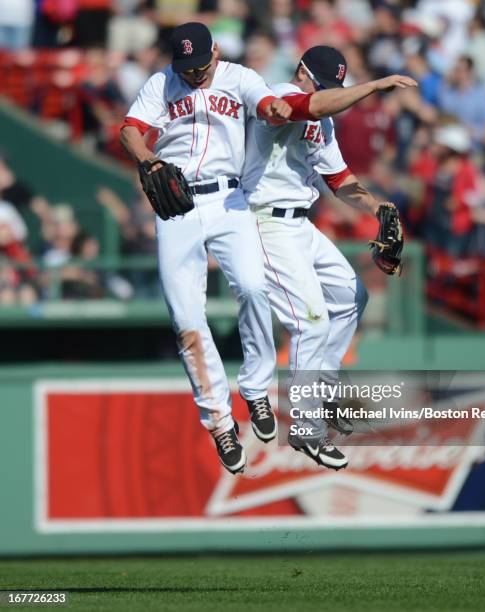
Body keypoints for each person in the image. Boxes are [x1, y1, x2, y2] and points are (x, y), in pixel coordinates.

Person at [120, 21, 297, 475]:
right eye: (188, 68)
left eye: (201, 65)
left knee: (256, 289)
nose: (195, 75)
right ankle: (219, 420)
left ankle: (256, 390)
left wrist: (276, 106)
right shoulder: (162, 82)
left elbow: (266, 104)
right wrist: (148, 159)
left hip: (229, 198)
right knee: (186, 320)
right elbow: (130, 130)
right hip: (176, 201)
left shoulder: (238, 77)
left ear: (215, 50)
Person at [242, 45, 416, 468]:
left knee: (350, 296)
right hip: (265, 220)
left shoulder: (324, 120)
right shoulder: (281, 92)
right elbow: (311, 104)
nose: (330, 95)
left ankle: (323, 392)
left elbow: (338, 178)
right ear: (303, 73)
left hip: (299, 223)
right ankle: (306, 427)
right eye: (325, 86)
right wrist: (374, 85)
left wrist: (380, 209)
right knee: (310, 321)